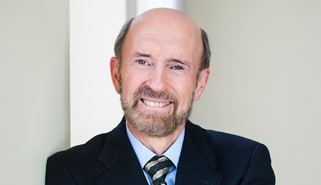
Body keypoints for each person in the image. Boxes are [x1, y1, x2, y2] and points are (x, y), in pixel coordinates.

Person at [46, 8, 275, 185]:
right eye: (143, 61)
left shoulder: (246, 164)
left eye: (177, 66)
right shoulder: (69, 171)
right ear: (116, 74)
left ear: (200, 83)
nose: (157, 84)